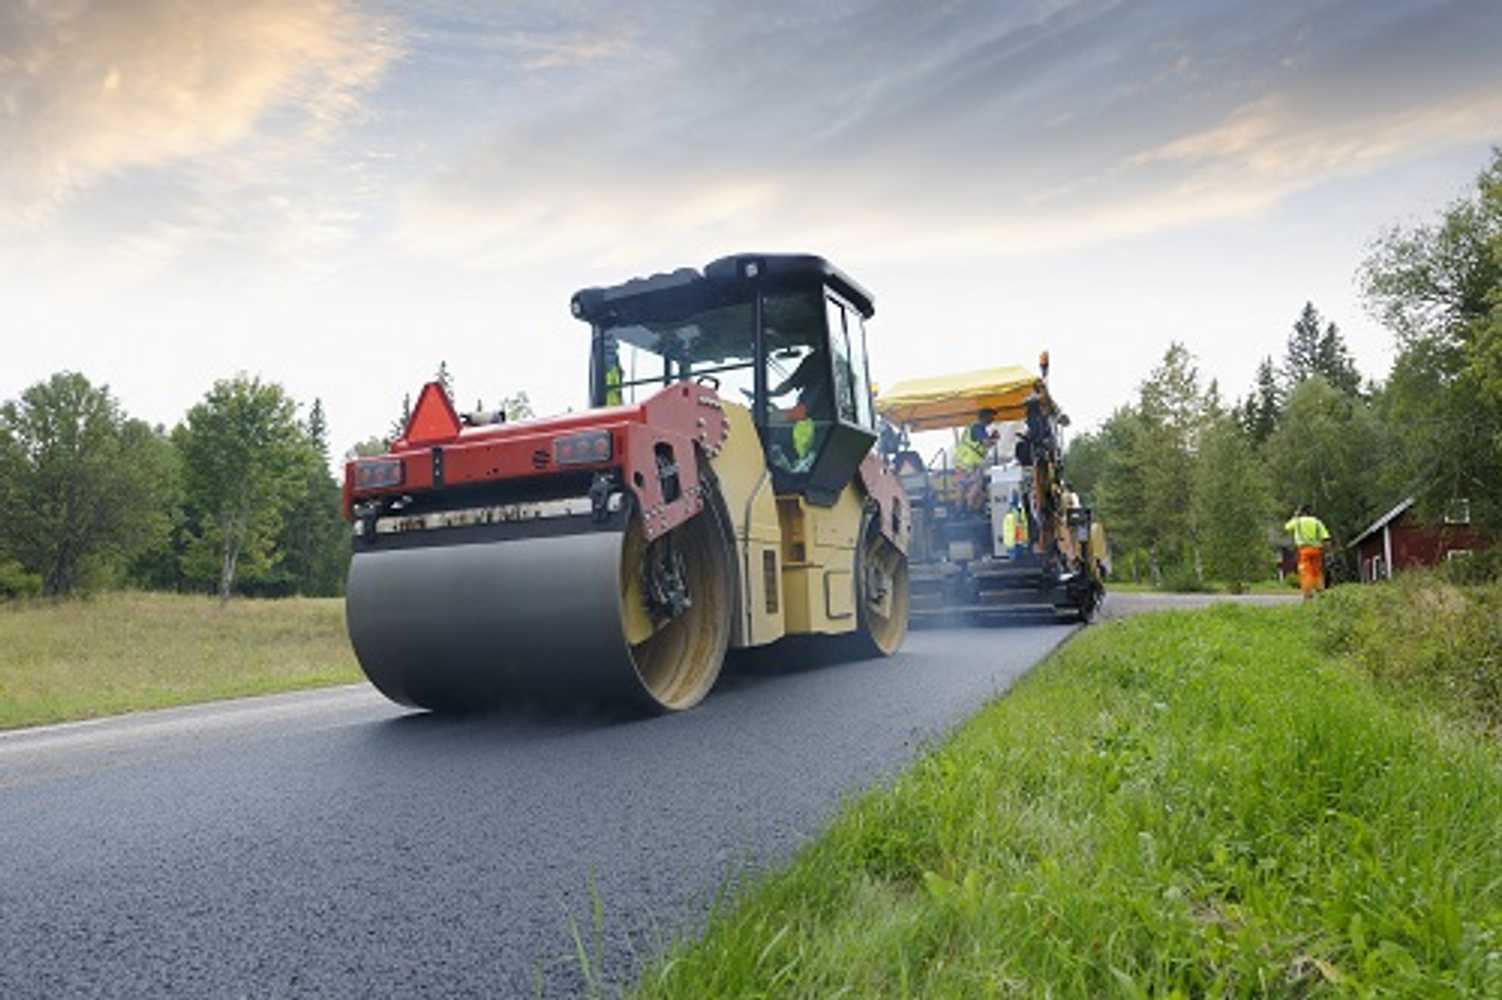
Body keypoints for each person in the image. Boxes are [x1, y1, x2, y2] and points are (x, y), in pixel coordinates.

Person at [1284, 504, 1331, 598]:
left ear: (1302, 512)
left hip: (1304, 550)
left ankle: (1308, 592)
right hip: (1317, 550)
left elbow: (1287, 527)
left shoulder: (1298, 521)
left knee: (1305, 571)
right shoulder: (1317, 522)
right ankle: (1320, 590)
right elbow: (1325, 537)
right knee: (1317, 571)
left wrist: (1295, 516)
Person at [955, 409, 997, 509]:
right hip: (971, 462)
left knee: (962, 486)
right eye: (991, 417)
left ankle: (958, 510)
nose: (993, 419)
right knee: (977, 484)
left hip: (961, 461)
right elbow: (986, 443)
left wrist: (991, 437)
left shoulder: (972, 427)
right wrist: (994, 438)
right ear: (985, 417)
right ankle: (970, 509)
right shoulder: (978, 427)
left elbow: (978, 444)